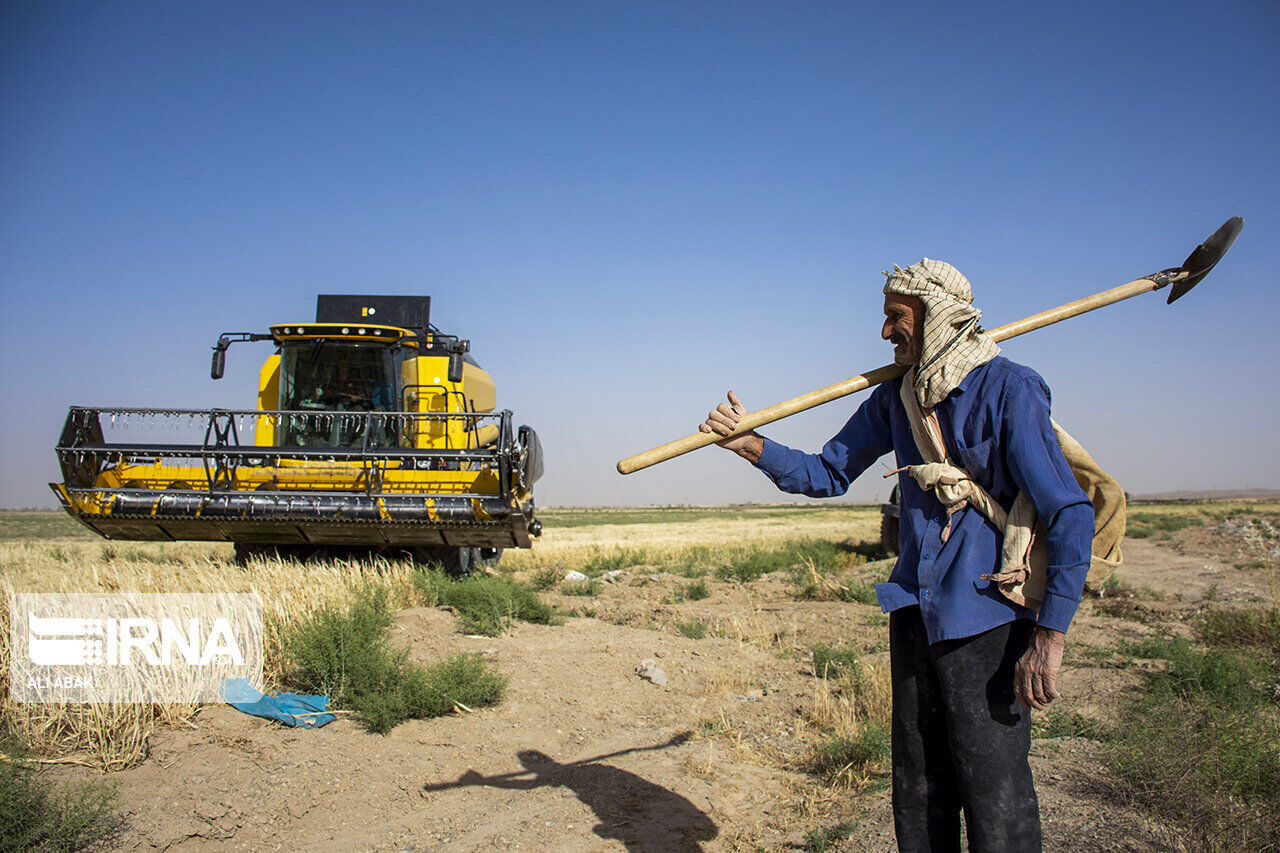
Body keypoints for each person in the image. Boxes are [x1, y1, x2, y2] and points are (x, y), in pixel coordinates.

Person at [700, 259, 1093, 852]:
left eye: (895, 317)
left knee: (996, 795)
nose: (885, 333)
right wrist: (750, 444)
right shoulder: (897, 397)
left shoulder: (1010, 387)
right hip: (915, 609)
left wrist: (1051, 635)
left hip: (989, 613)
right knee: (918, 787)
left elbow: (1068, 511)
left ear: (936, 316)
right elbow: (828, 472)